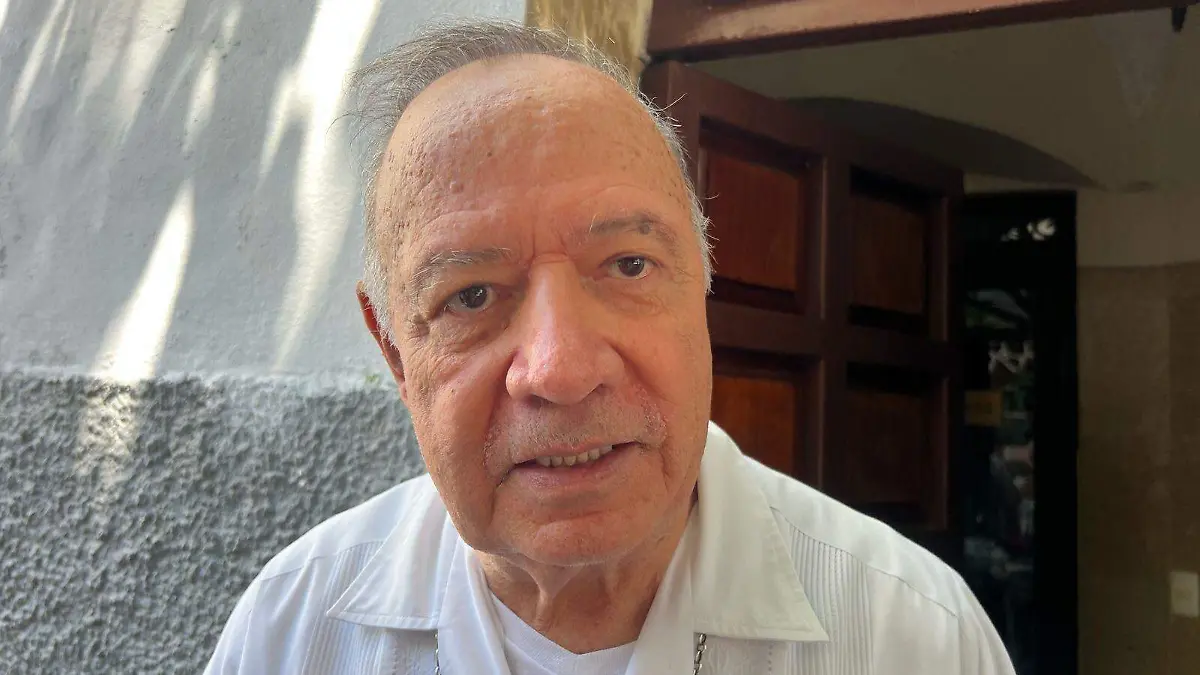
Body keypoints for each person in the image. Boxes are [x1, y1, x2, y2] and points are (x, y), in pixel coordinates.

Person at [205, 20, 1016, 675]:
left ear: (703, 287)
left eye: (628, 265)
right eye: (471, 295)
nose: (561, 370)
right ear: (394, 354)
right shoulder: (289, 634)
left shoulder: (914, 636)